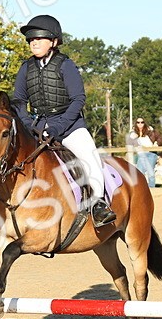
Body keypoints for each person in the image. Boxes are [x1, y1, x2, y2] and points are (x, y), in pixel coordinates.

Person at [10, 14, 116, 227]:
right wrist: (28, 124)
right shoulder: (26, 68)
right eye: (31, 39)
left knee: (89, 157)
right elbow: (19, 101)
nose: (34, 42)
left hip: (69, 126)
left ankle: (98, 204)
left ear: (54, 41)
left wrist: (58, 127)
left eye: (39, 38)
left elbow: (78, 99)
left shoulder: (65, 65)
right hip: (37, 127)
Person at [127, 118, 158, 187]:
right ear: (136, 124)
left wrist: (156, 144)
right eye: (138, 122)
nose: (140, 124)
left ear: (144, 123)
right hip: (141, 154)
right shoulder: (134, 133)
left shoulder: (150, 131)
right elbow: (129, 143)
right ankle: (141, 188)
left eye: (142, 122)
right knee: (140, 172)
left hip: (151, 153)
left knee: (151, 173)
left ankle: (152, 188)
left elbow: (159, 138)